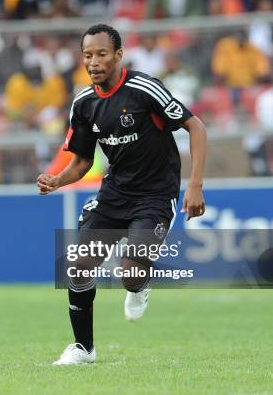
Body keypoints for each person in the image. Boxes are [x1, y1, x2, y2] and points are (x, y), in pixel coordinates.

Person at [37, 24, 206, 365]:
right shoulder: (84, 104)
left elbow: (196, 127)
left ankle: (140, 285)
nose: (94, 62)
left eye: (101, 54)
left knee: (130, 273)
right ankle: (83, 349)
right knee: (79, 265)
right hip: (115, 193)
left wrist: (195, 185)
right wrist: (57, 180)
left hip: (156, 195)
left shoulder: (144, 90)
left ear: (118, 55)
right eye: (88, 55)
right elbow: (83, 161)